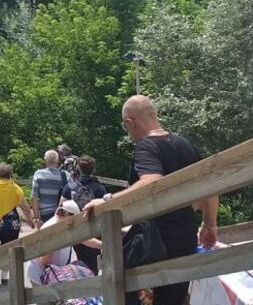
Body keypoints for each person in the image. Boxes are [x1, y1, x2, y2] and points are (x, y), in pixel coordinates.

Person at [83, 95, 219, 305]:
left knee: (116, 279)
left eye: (126, 128)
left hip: (155, 240)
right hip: (184, 238)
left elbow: (151, 181)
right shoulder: (185, 144)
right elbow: (210, 185)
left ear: (130, 122)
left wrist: (107, 201)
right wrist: (209, 223)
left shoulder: (146, 146)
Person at [0, 164, 35, 285]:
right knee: (10, 249)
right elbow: (25, 207)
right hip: (11, 223)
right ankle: (4, 276)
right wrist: (31, 220)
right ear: (10, 175)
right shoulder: (15, 188)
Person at [26, 200, 101, 285]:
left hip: (56, 270)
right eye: (74, 219)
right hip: (40, 274)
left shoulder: (66, 225)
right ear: (67, 215)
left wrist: (103, 245)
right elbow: (45, 260)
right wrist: (63, 274)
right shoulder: (50, 229)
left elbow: (84, 239)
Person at [59, 155, 106, 273]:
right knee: (92, 263)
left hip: (75, 229)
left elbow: (61, 208)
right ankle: (91, 282)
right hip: (94, 229)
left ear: (78, 168)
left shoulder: (70, 186)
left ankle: (81, 281)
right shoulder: (100, 188)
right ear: (93, 169)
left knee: (79, 260)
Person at [31, 150, 68, 228]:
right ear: (57, 161)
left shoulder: (39, 174)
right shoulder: (65, 175)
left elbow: (34, 197)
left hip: (44, 215)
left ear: (45, 160)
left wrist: (37, 217)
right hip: (60, 214)